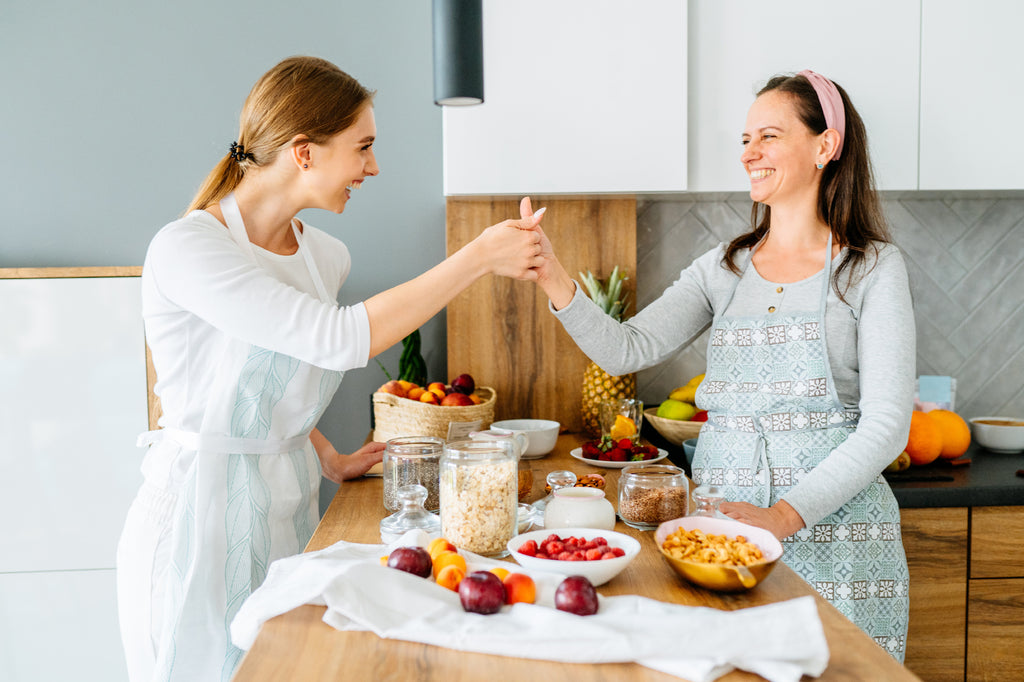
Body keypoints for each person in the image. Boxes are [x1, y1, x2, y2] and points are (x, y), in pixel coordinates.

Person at [116, 55, 546, 681]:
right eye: (363, 147)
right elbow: (336, 340)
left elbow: (274, 374)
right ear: (303, 151)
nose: (373, 167)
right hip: (196, 518)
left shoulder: (326, 256)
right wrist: (476, 257)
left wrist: (326, 455)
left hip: (287, 506)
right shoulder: (189, 247)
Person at [528, 70, 914, 660]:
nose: (749, 154)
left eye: (768, 136)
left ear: (825, 146)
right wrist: (553, 277)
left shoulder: (871, 268)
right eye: (744, 139)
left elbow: (887, 426)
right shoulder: (724, 267)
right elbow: (625, 348)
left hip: (837, 539)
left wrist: (785, 516)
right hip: (723, 539)